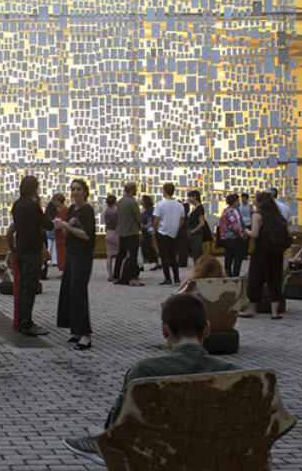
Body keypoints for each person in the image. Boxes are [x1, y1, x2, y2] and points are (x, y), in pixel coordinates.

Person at [62, 294, 242, 465]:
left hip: (157, 461)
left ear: (165, 329)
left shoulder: (146, 370)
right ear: (207, 329)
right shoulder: (239, 375)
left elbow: (115, 428)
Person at [6, 175, 55, 336]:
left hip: (21, 249)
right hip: (32, 250)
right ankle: (27, 323)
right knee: (30, 287)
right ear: (33, 188)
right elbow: (47, 224)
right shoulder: (32, 206)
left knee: (22, 287)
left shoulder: (17, 205)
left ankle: (21, 320)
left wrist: (13, 247)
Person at [55, 179, 96, 351]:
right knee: (69, 291)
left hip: (82, 255)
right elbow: (66, 232)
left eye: (79, 189)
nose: (76, 192)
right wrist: (65, 226)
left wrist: (67, 225)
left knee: (78, 292)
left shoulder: (87, 210)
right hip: (71, 253)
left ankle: (85, 334)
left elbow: (87, 235)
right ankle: (76, 330)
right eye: (73, 189)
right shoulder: (72, 209)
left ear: (85, 192)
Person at [238, 192, 288, 320]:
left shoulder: (258, 215)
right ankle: (275, 312)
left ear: (259, 202)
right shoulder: (278, 215)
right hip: (277, 251)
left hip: (261, 251)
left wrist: (246, 231)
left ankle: (252, 308)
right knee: (275, 279)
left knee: (256, 278)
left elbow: (255, 233)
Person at [154, 183, 185, 285]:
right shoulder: (179, 205)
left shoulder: (160, 204)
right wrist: (176, 228)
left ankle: (167, 278)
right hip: (173, 233)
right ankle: (176, 278)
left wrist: (156, 229)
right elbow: (182, 220)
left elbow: (156, 219)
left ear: (164, 191)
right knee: (173, 256)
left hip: (162, 232)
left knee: (164, 257)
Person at [114, 182, 142, 286]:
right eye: (135, 189)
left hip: (122, 231)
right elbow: (138, 217)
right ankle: (132, 277)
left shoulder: (120, 202)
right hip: (132, 231)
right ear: (131, 190)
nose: (136, 191)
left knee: (121, 254)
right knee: (133, 254)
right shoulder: (132, 202)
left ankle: (116, 275)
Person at [218, 193, 247, 278]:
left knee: (229, 256)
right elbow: (234, 226)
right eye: (237, 201)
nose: (239, 203)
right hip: (232, 237)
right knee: (237, 257)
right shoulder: (231, 212)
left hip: (227, 237)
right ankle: (235, 275)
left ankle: (228, 275)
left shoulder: (227, 211)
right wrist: (242, 234)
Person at [186, 190, 206, 264]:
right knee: (194, 253)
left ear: (195, 197)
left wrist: (192, 231)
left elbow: (202, 223)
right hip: (194, 232)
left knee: (197, 253)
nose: (189, 198)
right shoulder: (195, 208)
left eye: (190, 197)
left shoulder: (199, 208)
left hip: (196, 233)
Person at [140, 194, 159, 269]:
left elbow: (152, 220)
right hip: (145, 230)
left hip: (148, 230)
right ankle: (153, 262)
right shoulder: (145, 210)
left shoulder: (149, 210)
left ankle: (152, 261)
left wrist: (146, 226)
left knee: (146, 246)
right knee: (146, 246)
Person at [103, 195, 119, 281]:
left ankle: (110, 274)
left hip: (108, 233)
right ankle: (119, 273)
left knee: (109, 255)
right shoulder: (115, 212)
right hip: (115, 233)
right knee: (120, 255)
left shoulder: (106, 211)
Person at [238, 192, 255, 261]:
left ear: (247, 199)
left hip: (248, 224)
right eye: (242, 198)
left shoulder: (250, 207)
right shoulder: (239, 206)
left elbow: (253, 214)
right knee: (240, 240)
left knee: (246, 241)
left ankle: (245, 255)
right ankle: (240, 254)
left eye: (244, 198)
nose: (243, 200)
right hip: (240, 224)